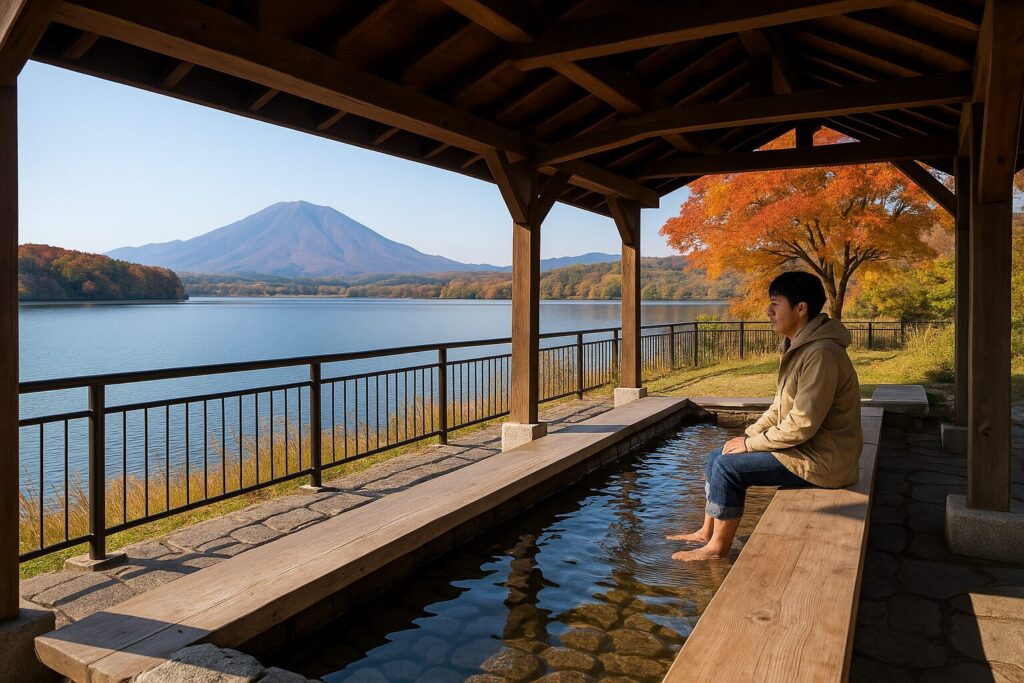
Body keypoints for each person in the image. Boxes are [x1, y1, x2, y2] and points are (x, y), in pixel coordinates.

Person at [668, 271, 863, 561]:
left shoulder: (820, 354)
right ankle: (706, 531)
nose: (768, 311)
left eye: (775, 304)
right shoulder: (800, 347)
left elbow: (802, 424)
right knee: (716, 457)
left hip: (824, 460)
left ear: (800, 308)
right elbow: (778, 408)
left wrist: (750, 445)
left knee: (727, 469)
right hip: (808, 449)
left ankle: (716, 549)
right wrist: (747, 436)